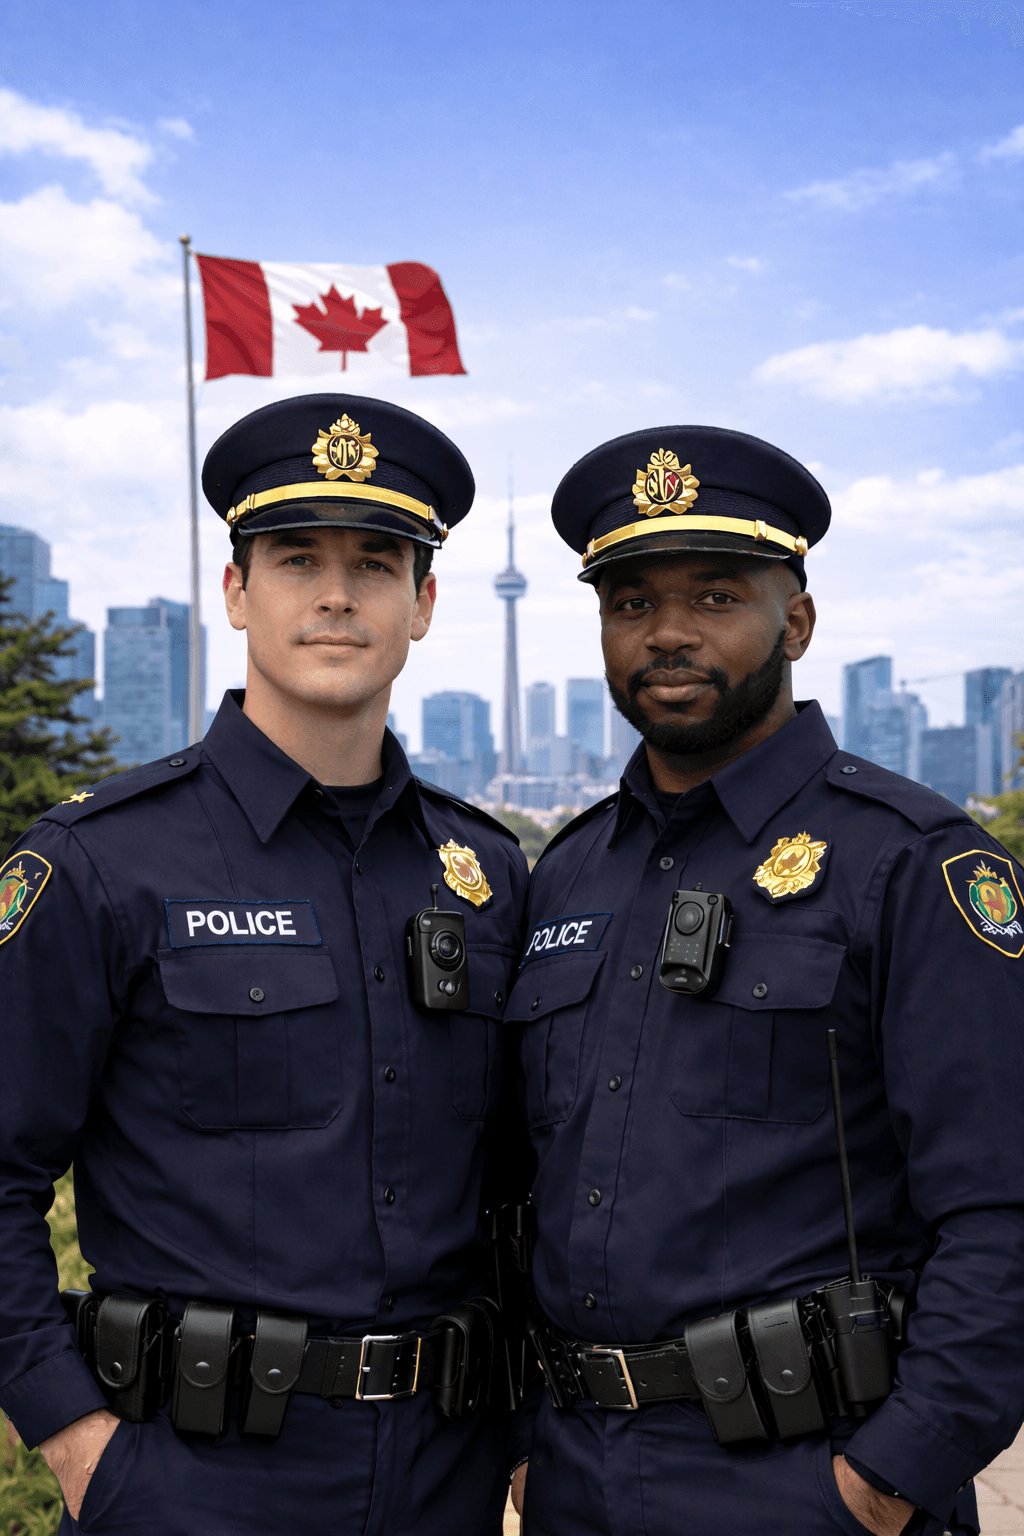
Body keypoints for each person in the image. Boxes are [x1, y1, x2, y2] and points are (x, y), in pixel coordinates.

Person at [0, 394, 529, 1535]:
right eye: (296, 559)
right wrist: (74, 1439)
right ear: (237, 592)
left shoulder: (481, 868)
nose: (337, 594)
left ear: (423, 603)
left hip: (445, 1471)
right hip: (191, 1478)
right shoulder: (103, 862)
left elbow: (517, 1182)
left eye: (377, 562)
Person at [507, 425, 1024, 1536]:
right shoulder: (568, 873)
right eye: (631, 603)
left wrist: (887, 1480)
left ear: (794, 619)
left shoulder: (910, 861)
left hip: (805, 1479)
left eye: (714, 596)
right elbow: (519, 1182)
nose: (669, 635)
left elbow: (1001, 1209)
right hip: (574, 1474)